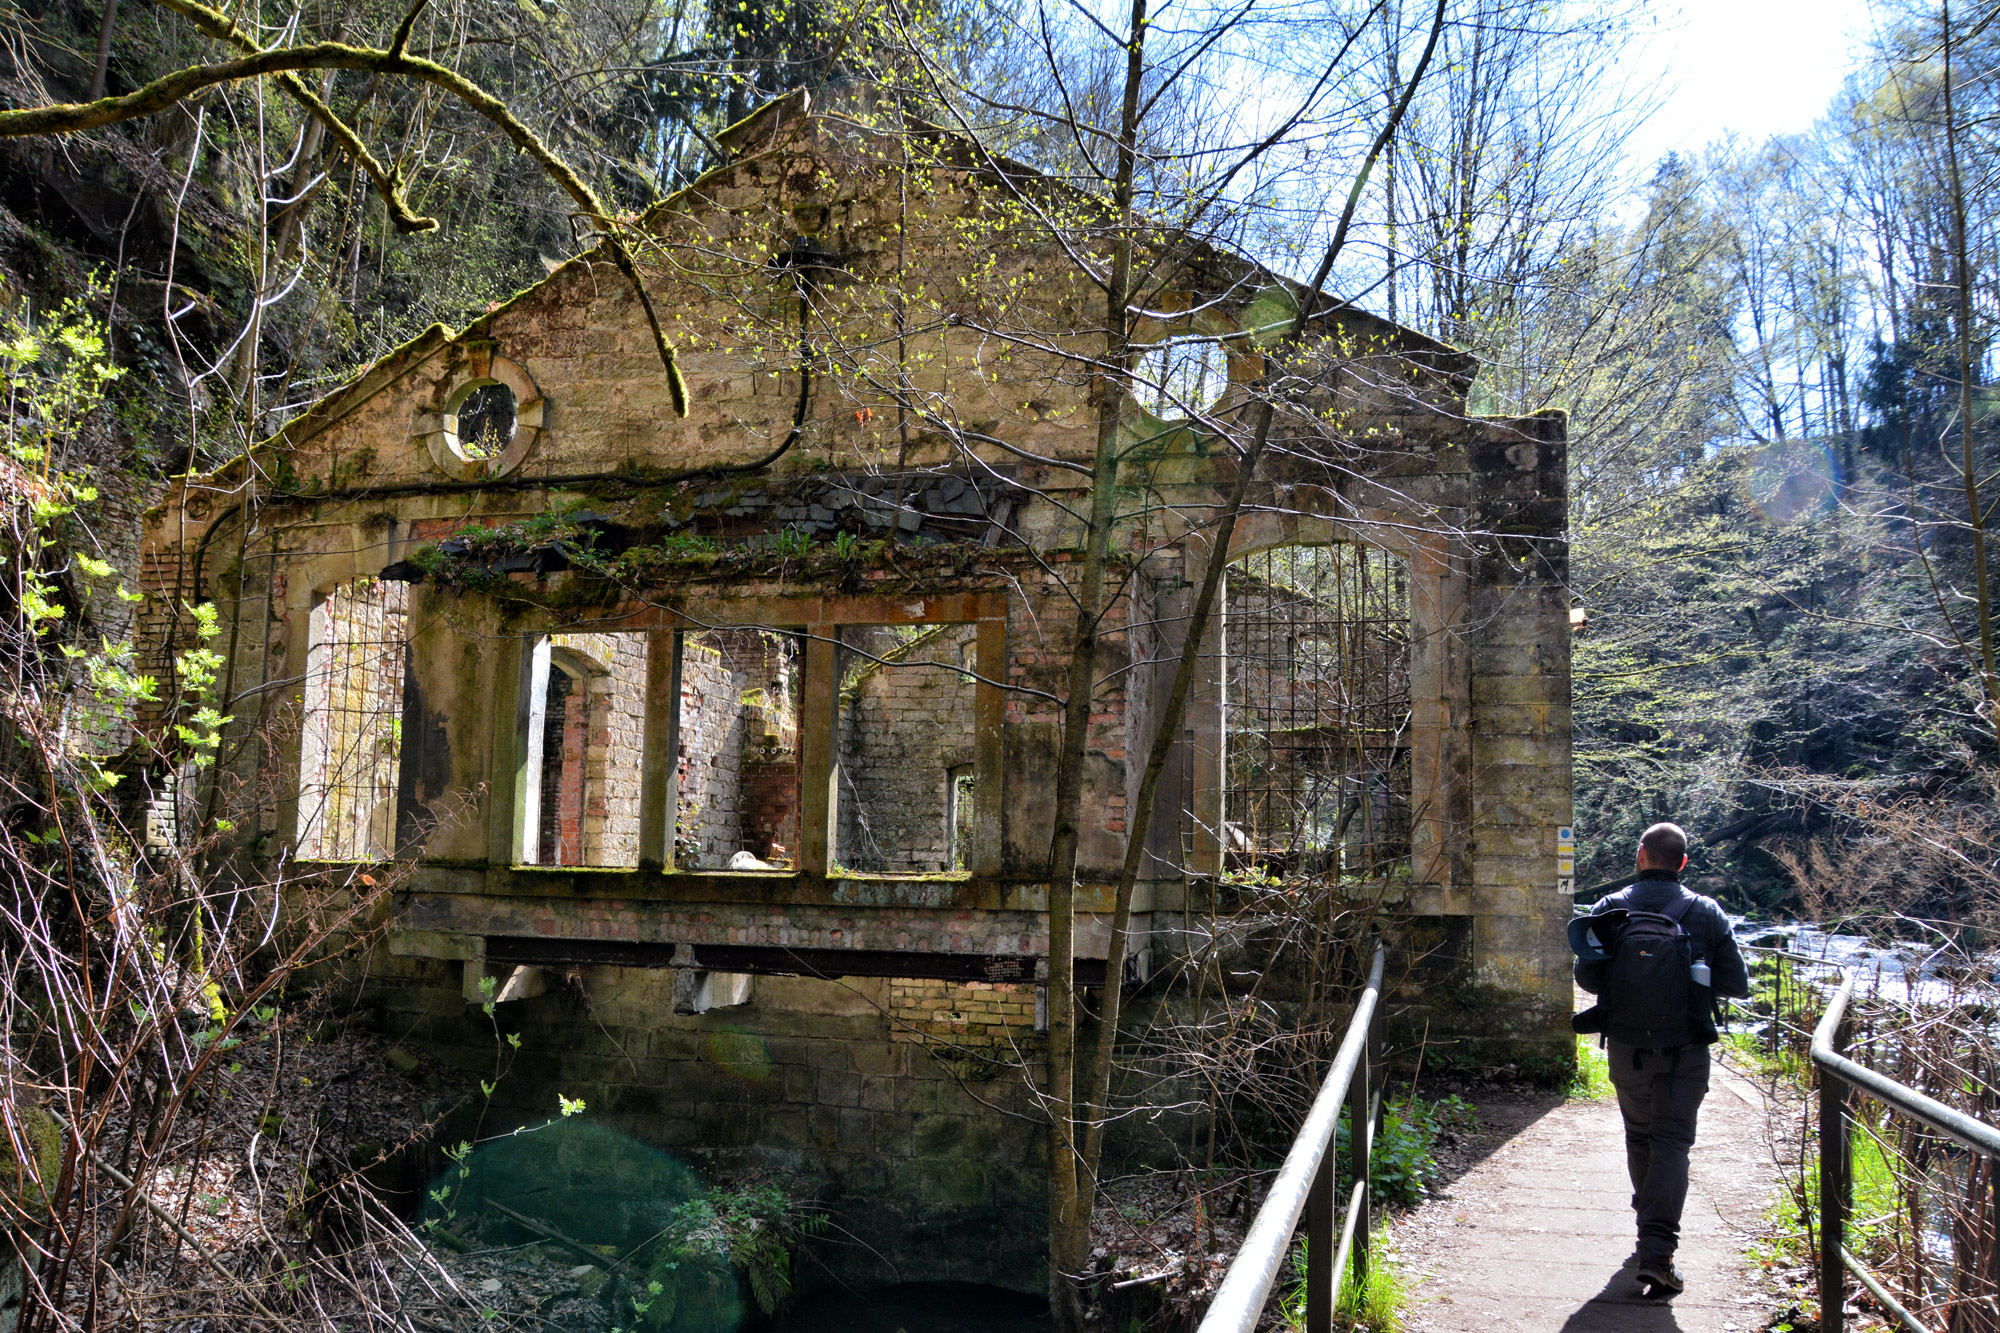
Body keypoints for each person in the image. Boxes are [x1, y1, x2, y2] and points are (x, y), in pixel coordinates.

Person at [1573, 822, 1749, 1297]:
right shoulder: (1706, 911)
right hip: (1686, 1049)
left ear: (1641, 855)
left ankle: (1648, 1225)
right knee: (1672, 1142)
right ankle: (1657, 1253)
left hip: (1627, 1048)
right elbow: (1736, 984)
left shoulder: (1609, 908)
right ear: (1683, 863)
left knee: (1640, 1134)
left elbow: (1588, 980)